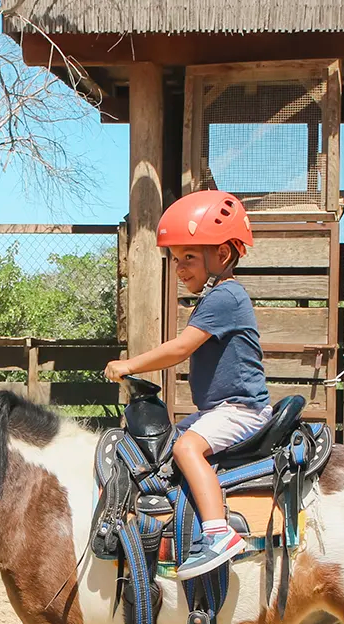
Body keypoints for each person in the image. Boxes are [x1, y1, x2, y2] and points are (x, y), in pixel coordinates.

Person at [104, 190, 272, 578]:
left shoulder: (226, 296)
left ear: (224, 255)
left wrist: (129, 364)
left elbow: (180, 348)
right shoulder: (216, 296)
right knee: (164, 450)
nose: (180, 268)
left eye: (190, 257)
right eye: (176, 259)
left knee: (186, 447)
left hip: (240, 408)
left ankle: (217, 533)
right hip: (219, 409)